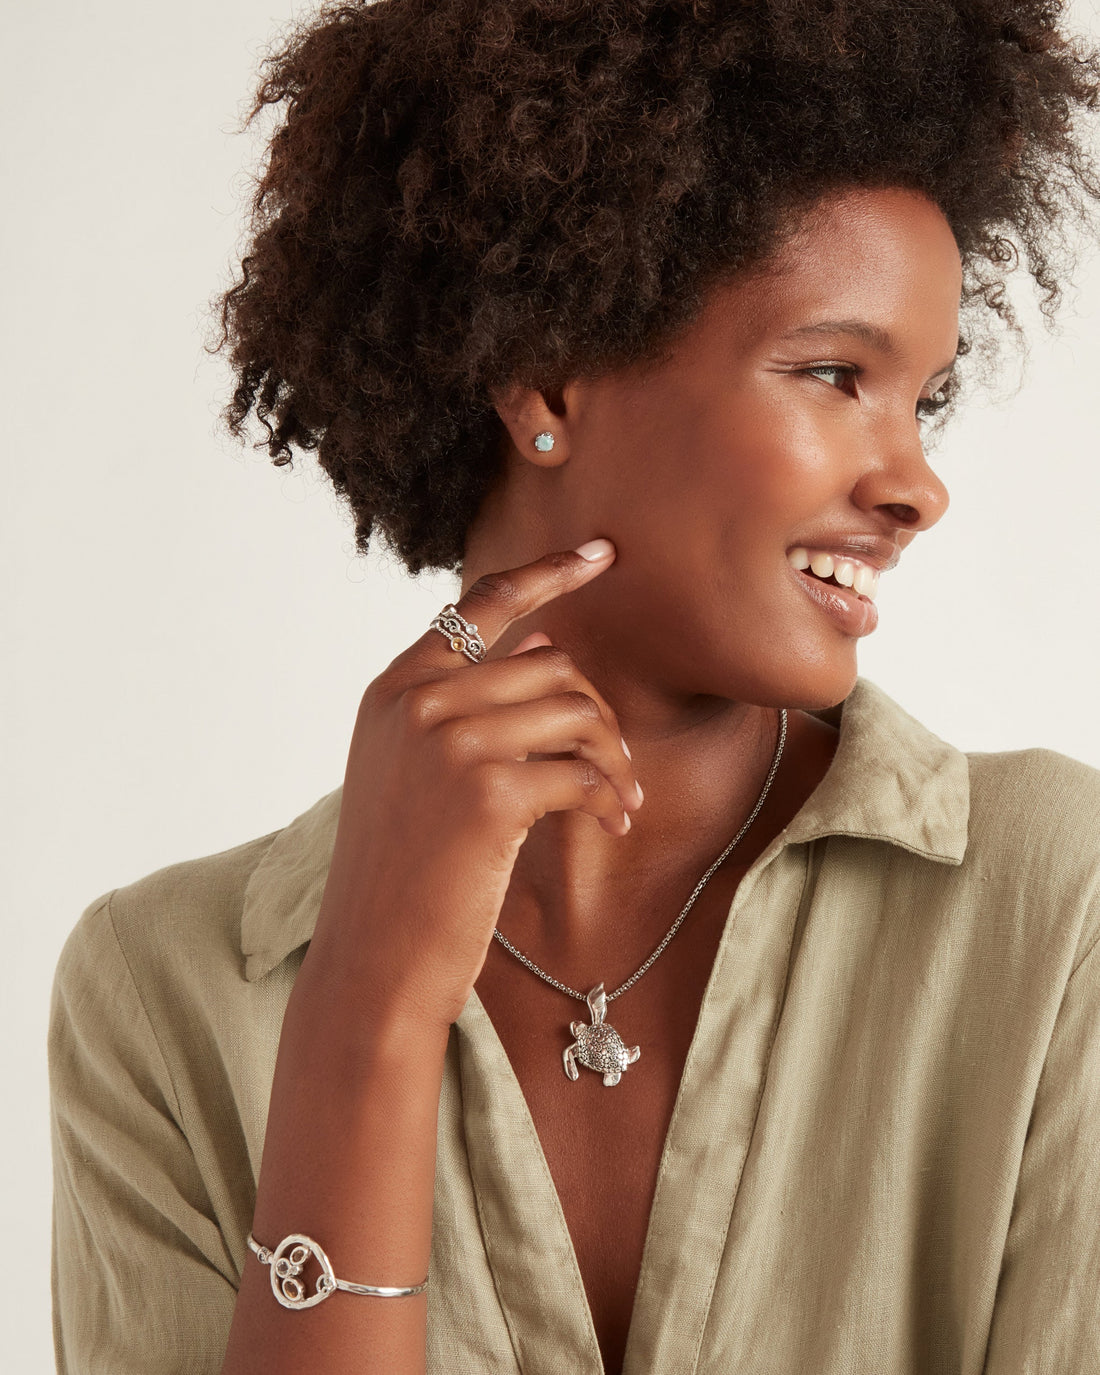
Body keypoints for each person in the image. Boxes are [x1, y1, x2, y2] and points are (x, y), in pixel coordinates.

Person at [48, 1, 1100, 1372]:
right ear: (547, 381)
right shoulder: (163, 989)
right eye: (836, 374)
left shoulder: (1052, 903)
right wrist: (363, 1011)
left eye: (922, 400)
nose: (915, 486)